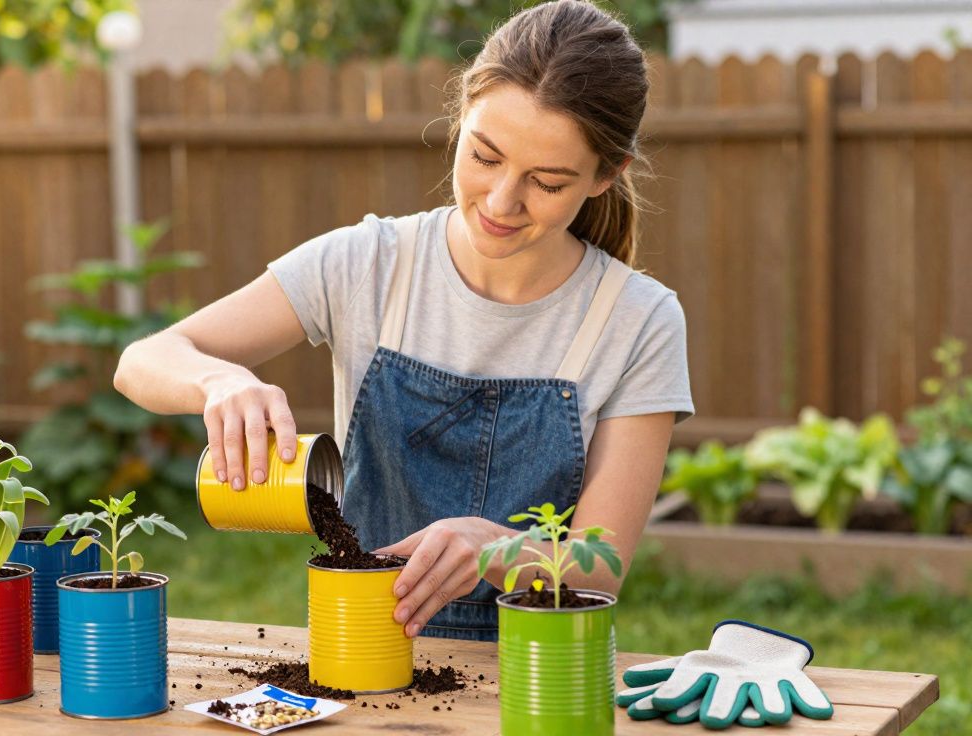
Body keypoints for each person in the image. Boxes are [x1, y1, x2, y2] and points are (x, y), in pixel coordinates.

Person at [114, 0, 692, 642]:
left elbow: (601, 567)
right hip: (362, 650)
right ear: (461, 120)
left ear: (606, 175)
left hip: (542, 673)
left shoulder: (638, 320)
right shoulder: (369, 264)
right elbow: (142, 361)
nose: (501, 201)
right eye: (484, 156)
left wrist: (495, 550)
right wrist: (217, 383)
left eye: (547, 183)